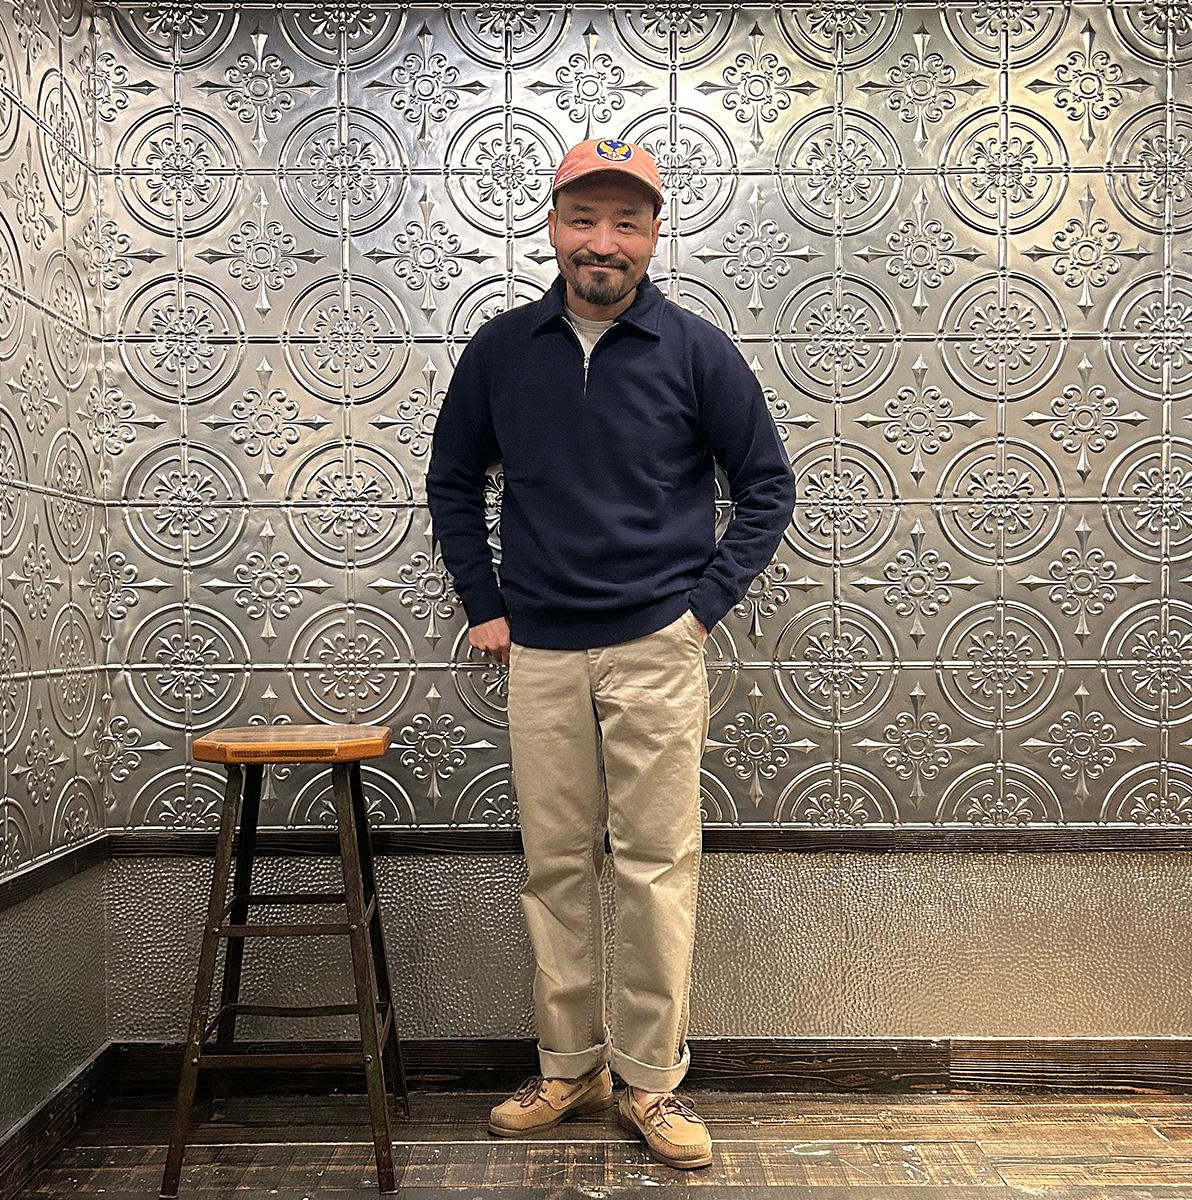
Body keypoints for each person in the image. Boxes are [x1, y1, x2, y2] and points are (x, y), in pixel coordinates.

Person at [425, 137, 796, 1170]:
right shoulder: (501, 351)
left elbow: (768, 486)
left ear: (653, 236)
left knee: (656, 868)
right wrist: (484, 604)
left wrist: (701, 610)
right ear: (552, 227)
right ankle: (569, 1067)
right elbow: (453, 481)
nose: (603, 241)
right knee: (554, 866)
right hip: (539, 652)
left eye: (626, 222)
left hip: (656, 649)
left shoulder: (697, 351)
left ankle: (651, 1082)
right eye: (584, 218)